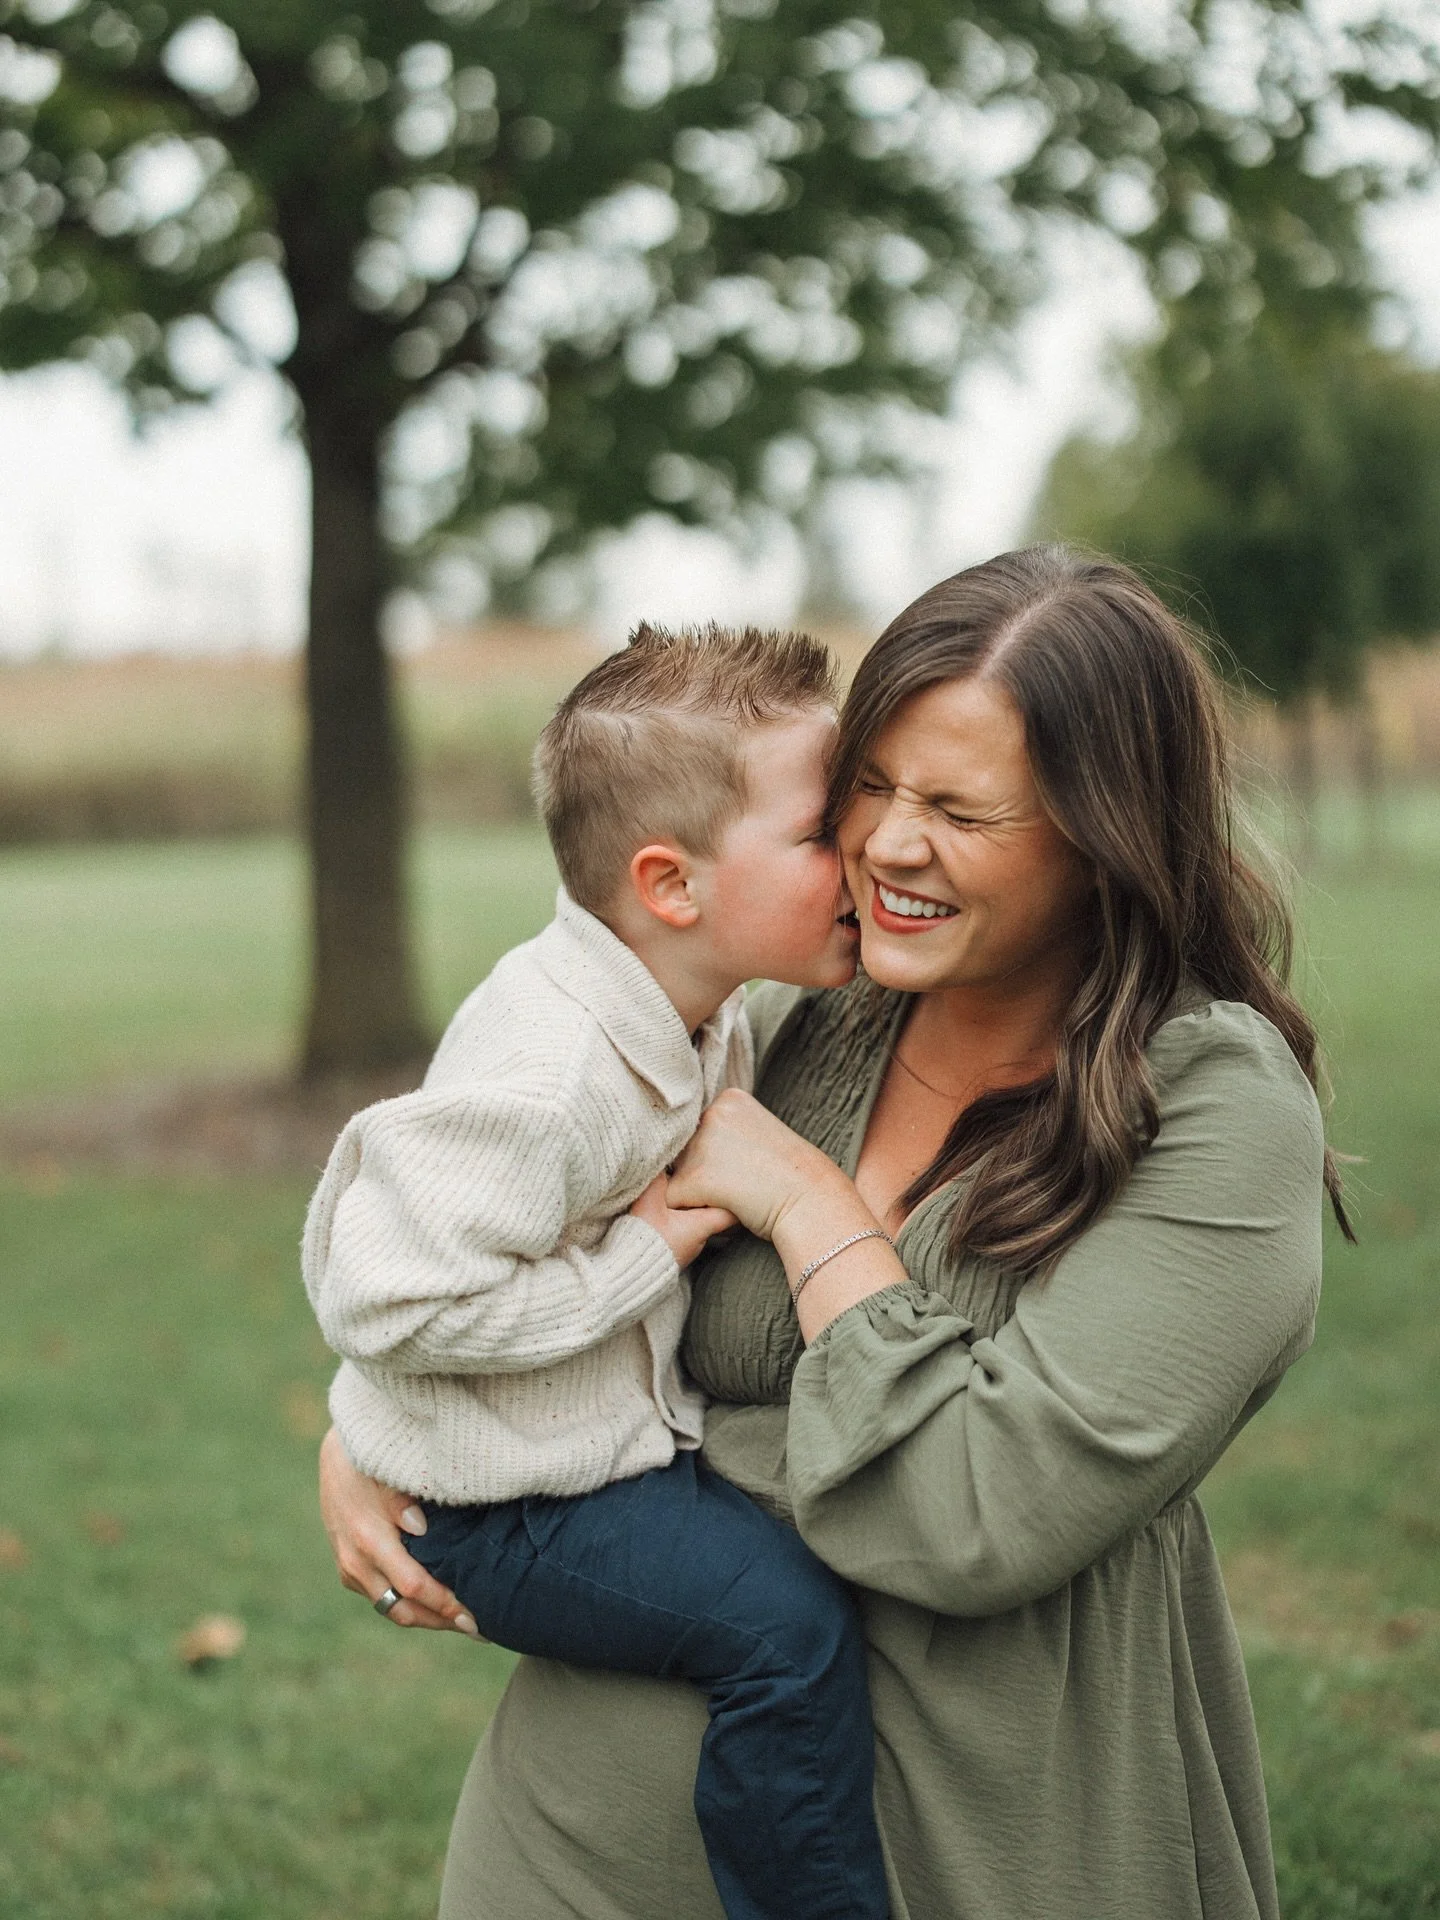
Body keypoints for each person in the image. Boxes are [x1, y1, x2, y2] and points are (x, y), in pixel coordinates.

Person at [319, 547, 1345, 1920]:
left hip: (979, 1852)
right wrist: (383, 1429)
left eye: (961, 810)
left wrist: (809, 1206)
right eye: (871, 787)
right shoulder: (820, 1018)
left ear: (1106, 836)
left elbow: (981, 1512)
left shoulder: (1213, 1110)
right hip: (571, 1852)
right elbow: (532, 1260)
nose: (888, 844)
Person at [303, 622, 891, 1920]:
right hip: (509, 1503)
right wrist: (642, 1257)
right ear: (671, 884)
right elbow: (386, 1296)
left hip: (591, 1454)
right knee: (781, 1629)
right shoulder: (556, 1069)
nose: (864, 850)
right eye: (819, 832)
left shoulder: (700, 995)